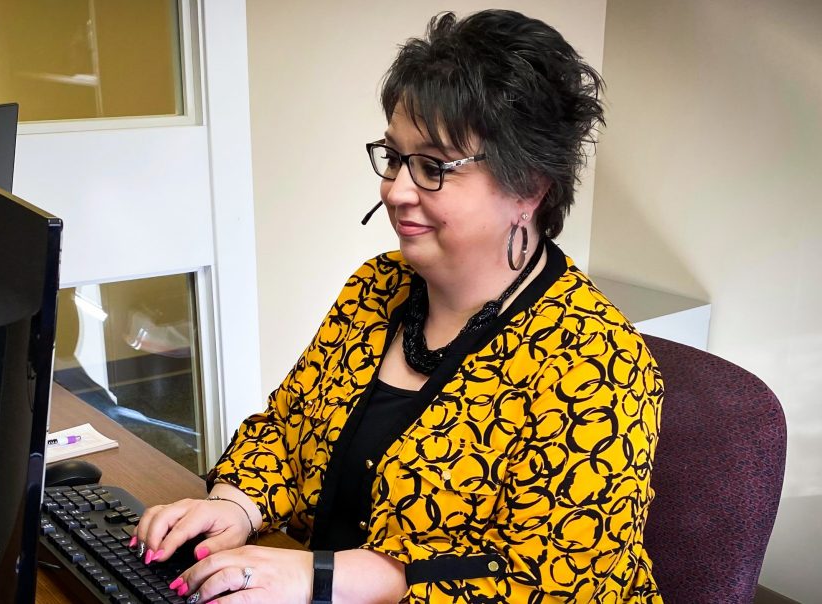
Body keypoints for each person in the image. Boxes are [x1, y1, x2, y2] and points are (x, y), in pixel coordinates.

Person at [133, 9, 662, 603]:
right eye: (393, 158)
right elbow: (284, 432)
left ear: (530, 187)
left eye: (433, 167)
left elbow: (551, 584)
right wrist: (234, 507)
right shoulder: (377, 286)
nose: (395, 190)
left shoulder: (597, 362)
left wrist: (320, 579)